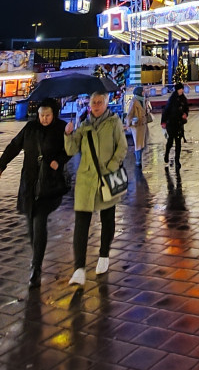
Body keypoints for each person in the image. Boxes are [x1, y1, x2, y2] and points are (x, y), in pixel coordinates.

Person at [0, 98, 69, 288]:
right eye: (41, 115)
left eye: (47, 115)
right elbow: (14, 146)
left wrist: (60, 160)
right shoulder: (30, 128)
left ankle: (36, 267)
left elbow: (70, 149)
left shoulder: (61, 128)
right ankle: (36, 257)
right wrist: (2, 164)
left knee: (39, 223)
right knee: (31, 225)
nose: (44, 119)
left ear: (54, 114)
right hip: (29, 183)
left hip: (48, 184)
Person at [65, 91, 127, 286]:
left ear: (106, 103)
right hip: (86, 180)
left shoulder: (114, 123)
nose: (96, 105)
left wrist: (111, 167)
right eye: (94, 102)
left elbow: (122, 147)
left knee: (107, 218)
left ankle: (104, 255)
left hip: (107, 178)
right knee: (81, 223)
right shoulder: (84, 126)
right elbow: (71, 150)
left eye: (100, 102)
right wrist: (68, 134)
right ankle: (79, 268)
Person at [163, 83, 189, 169]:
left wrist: (185, 114)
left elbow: (186, 108)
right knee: (170, 141)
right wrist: (163, 122)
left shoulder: (183, 99)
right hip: (171, 123)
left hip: (179, 124)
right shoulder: (172, 100)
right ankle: (167, 153)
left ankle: (177, 160)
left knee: (178, 143)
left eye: (182, 89)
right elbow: (166, 111)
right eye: (180, 89)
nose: (182, 90)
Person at [126, 85, 148, 167]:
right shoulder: (134, 101)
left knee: (142, 144)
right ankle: (138, 161)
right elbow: (129, 114)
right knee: (138, 144)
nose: (144, 92)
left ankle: (139, 159)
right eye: (142, 91)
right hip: (136, 125)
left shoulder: (143, 100)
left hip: (143, 124)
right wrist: (129, 124)